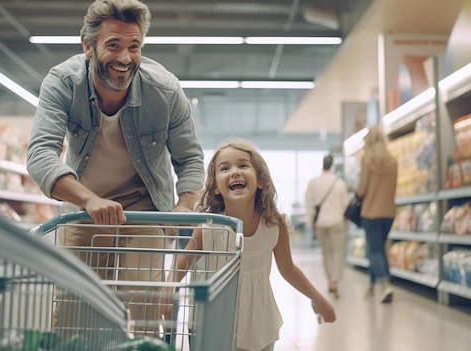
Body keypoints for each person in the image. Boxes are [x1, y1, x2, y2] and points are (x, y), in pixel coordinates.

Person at [26, 0, 205, 335]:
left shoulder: (165, 92)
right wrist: (89, 200)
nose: (125, 58)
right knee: (72, 314)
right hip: (85, 208)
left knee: (145, 310)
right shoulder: (63, 83)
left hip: (145, 210)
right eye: (113, 45)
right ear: (88, 48)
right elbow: (40, 155)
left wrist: (182, 206)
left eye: (134, 47)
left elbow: (191, 159)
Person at [167, 139, 336, 351]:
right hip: (212, 327)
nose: (235, 172)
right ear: (216, 187)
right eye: (225, 168)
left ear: (260, 181)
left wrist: (317, 298)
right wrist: (166, 293)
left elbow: (288, 269)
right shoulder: (209, 229)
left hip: (260, 325)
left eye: (243, 165)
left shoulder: (275, 226)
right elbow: (179, 266)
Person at [356, 125, 397, 303]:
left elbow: (362, 189)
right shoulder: (392, 160)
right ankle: (372, 286)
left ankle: (385, 285)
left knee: (374, 250)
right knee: (378, 249)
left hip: (371, 212)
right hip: (388, 212)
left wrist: (358, 194)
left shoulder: (367, 160)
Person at [305, 154, 348, 298]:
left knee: (326, 252)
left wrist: (311, 219)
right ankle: (335, 281)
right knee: (337, 253)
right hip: (337, 221)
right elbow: (345, 205)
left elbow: (309, 203)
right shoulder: (339, 183)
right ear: (333, 165)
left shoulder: (313, 182)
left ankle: (330, 280)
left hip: (321, 223)